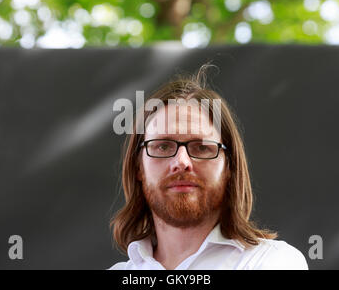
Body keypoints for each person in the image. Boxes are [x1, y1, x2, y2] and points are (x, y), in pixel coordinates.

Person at [109, 65, 308, 270]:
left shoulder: (273, 262)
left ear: (229, 166)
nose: (182, 162)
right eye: (163, 146)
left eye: (202, 147)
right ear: (138, 167)